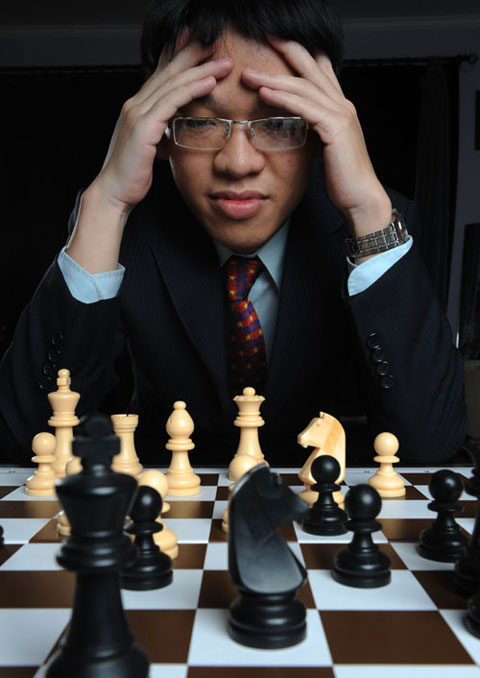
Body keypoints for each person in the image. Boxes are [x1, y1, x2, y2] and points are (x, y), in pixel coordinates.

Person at [0, 0, 466, 466]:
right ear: (158, 126)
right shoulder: (121, 224)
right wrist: (106, 203)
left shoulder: (375, 223)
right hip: (166, 499)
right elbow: (25, 443)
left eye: (278, 122)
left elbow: (432, 447)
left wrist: (366, 209)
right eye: (202, 122)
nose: (238, 163)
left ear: (322, 128)